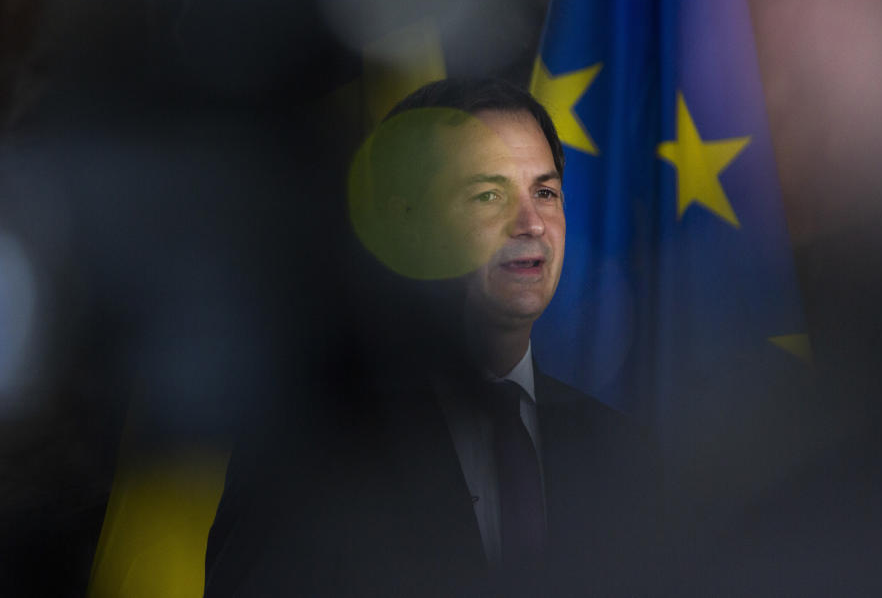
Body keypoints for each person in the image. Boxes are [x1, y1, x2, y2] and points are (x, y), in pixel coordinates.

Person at [203, 78, 659, 597]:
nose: (530, 223)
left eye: (545, 192)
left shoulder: (625, 455)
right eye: (488, 194)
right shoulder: (309, 462)